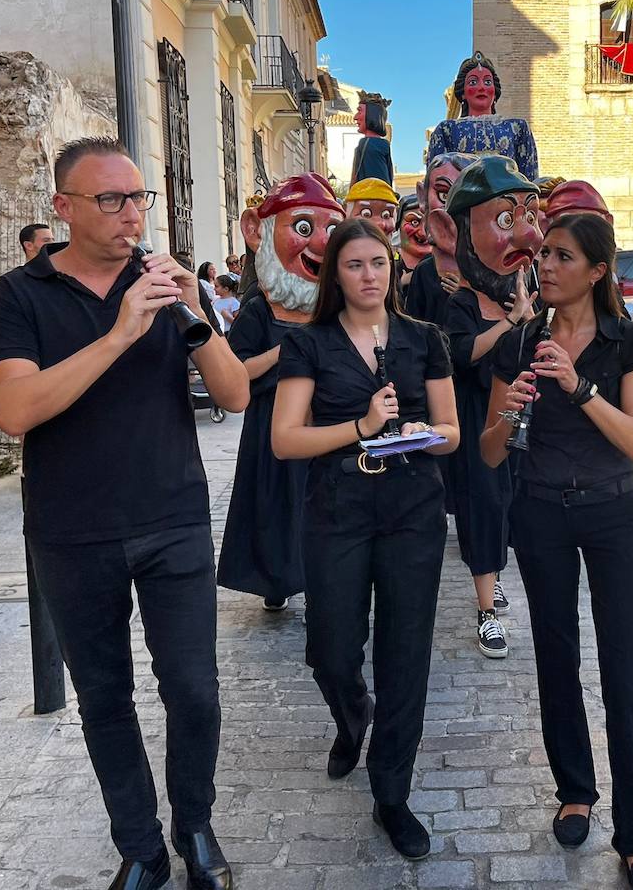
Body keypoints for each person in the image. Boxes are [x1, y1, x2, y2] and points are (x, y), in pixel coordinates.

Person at [0, 136, 249, 890]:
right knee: (104, 695)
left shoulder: (164, 284)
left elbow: (233, 396)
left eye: (139, 198)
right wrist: (119, 334)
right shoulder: (20, 293)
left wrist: (195, 313)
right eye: (112, 200)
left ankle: (193, 823)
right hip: (73, 529)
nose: (132, 213)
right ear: (64, 208)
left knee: (194, 687)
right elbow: (15, 408)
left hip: (172, 515)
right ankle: (139, 845)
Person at [481, 213, 633, 890]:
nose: (544, 266)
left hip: (614, 513)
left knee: (623, 667)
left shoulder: (628, 342)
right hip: (539, 513)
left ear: (595, 270)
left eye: (560, 256)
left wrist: (580, 388)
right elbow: (490, 451)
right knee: (556, 654)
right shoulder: (520, 342)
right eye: (541, 255)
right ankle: (575, 790)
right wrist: (512, 408)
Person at [272, 218, 459, 861]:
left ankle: (391, 793)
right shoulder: (309, 344)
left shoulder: (423, 339)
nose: (369, 275)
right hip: (337, 508)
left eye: (378, 262)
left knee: (406, 653)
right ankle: (353, 717)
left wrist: (415, 433)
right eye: (354, 265)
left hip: (412, 509)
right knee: (330, 649)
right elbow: (286, 439)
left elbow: (452, 431)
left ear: (392, 269)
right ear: (336, 275)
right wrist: (361, 425)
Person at [431, 156, 545, 658]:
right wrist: (510, 323)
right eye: (506, 220)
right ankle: (485, 611)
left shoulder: (531, 296)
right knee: (483, 506)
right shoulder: (460, 305)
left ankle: (495, 574)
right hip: (478, 417)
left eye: (529, 217)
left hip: (523, 418)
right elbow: (458, 355)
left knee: (511, 506)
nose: (526, 236)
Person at [219, 175, 344, 613]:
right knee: (275, 510)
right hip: (270, 430)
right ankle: (276, 580)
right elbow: (235, 374)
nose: (322, 244)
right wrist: (282, 350)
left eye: (331, 231)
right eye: (306, 228)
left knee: (321, 511)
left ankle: (319, 583)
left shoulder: (334, 311)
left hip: (321, 430)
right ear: (259, 232)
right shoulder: (258, 311)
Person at [427, 51, 538, 180]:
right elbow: (438, 182)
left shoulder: (517, 128)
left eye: (487, 82)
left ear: (494, 92)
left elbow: (529, 180)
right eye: (473, 82)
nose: (481, 87)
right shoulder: (446, 130)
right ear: (463, 92)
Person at [405, 152, 478, 326]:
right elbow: (414, 326)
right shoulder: (424, 272)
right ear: (423, 197)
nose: (455, 210)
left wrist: (465, 295)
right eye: (444, 196)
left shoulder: (491, 271)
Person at [350, 91, 394, 187]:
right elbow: (390, 173)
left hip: (366, 192)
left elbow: (355, 175)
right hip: (385, 193)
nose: (355, 117)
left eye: (359, 111)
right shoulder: (385, 144)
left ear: (371, 114)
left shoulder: (363, 143)